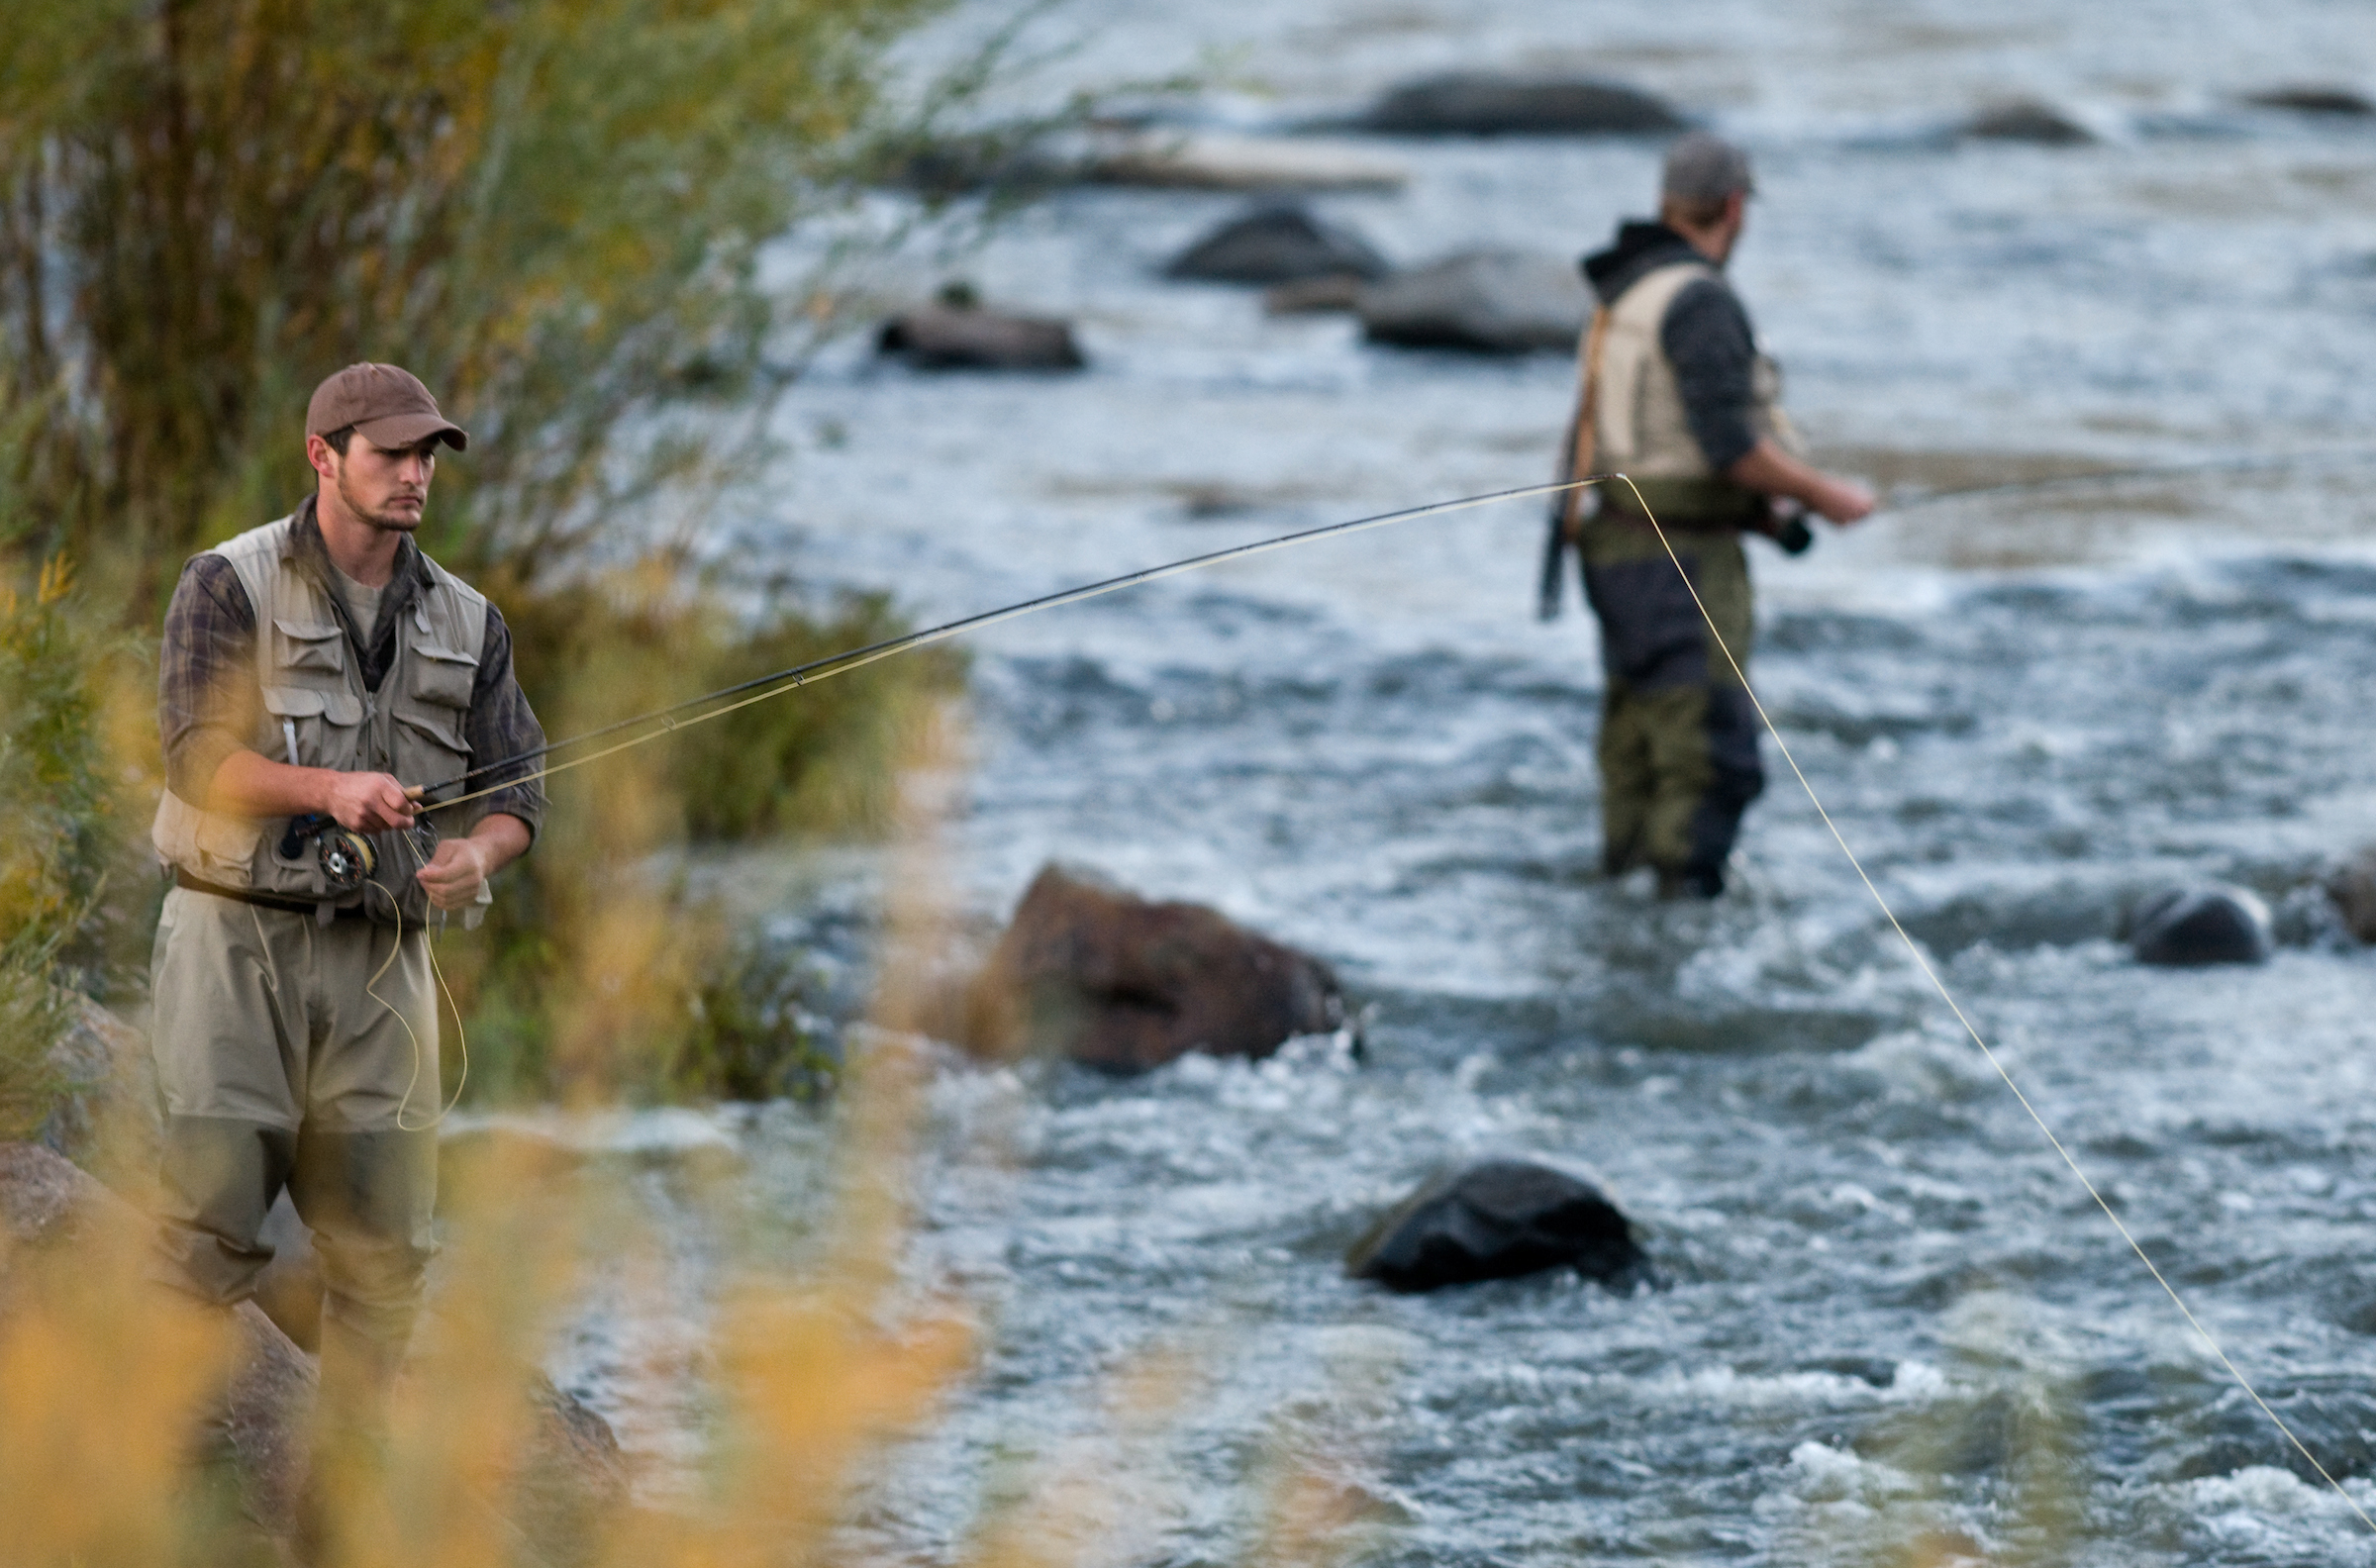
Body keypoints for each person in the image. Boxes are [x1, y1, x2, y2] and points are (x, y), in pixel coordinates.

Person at [147, 362, 546, 1485]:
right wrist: (331, 792)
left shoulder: (473, 622)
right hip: (236, 949)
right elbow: (192, 757)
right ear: (324, 456)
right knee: (205, 1238)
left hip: (385, 970)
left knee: (386, 1263)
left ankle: (343, 1528)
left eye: (428, 456)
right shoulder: (225, 585)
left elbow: (521, 789)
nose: (417, 475)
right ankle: (159, 1512)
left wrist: (477, 855)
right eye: (393, 453)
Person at [1548, 132, 1874, 898]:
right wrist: (1831, 498)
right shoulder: (1699, 300)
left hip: (1617, 547)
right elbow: (1731, 449)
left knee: (1638, 746)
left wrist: (1768, 516)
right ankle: (1679, 919)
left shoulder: (1626, 288)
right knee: (1707, 756)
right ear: (1734, 208)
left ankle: (1625, 896)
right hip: (1681, 562)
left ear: (1669, 204)